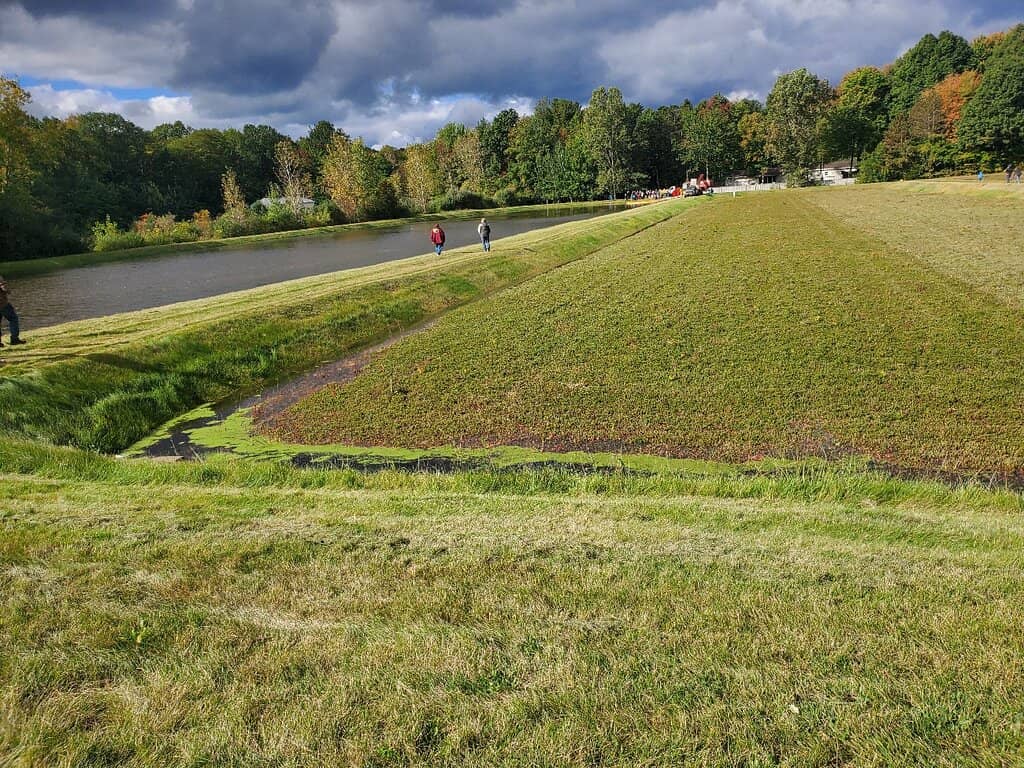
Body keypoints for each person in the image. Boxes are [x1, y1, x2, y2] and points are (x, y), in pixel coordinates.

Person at [0, 275, 25, 347]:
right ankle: (14, 339)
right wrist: (8, 290)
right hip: (3, 304)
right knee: (13, 319)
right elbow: (5, 288)